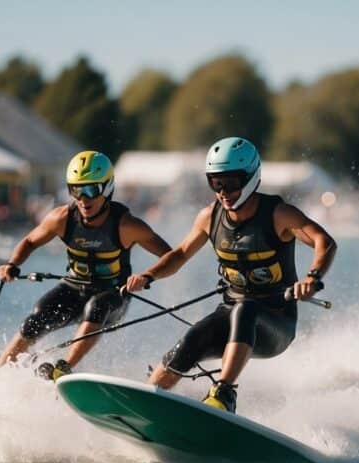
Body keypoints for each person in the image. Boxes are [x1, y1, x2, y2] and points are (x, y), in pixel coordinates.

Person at [125, 137, 337, 413]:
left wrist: (313, 276)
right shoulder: (208, 217)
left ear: (250, 178)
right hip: (230, 312)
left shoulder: (279, 215)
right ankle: (147, 403)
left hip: (275, 324)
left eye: (231, 183)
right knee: (191, 341)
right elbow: (179, 255)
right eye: (216, 183)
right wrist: (148, 276)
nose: (223, 192)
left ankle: (224, 394)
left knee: (245, 308)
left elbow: (325, 241)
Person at [0, 150, 171, 379]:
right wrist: (12, 264)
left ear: (106, 189)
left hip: (113, 296)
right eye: (76, 190)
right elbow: (29, 241)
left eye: (91, 190)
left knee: (97, 306)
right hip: (74, 289)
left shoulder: (127, 226)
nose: (83, 199)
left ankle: (63, 369)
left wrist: (146, 276)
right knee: (35, 319)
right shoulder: (61, 219)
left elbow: (171, 256)